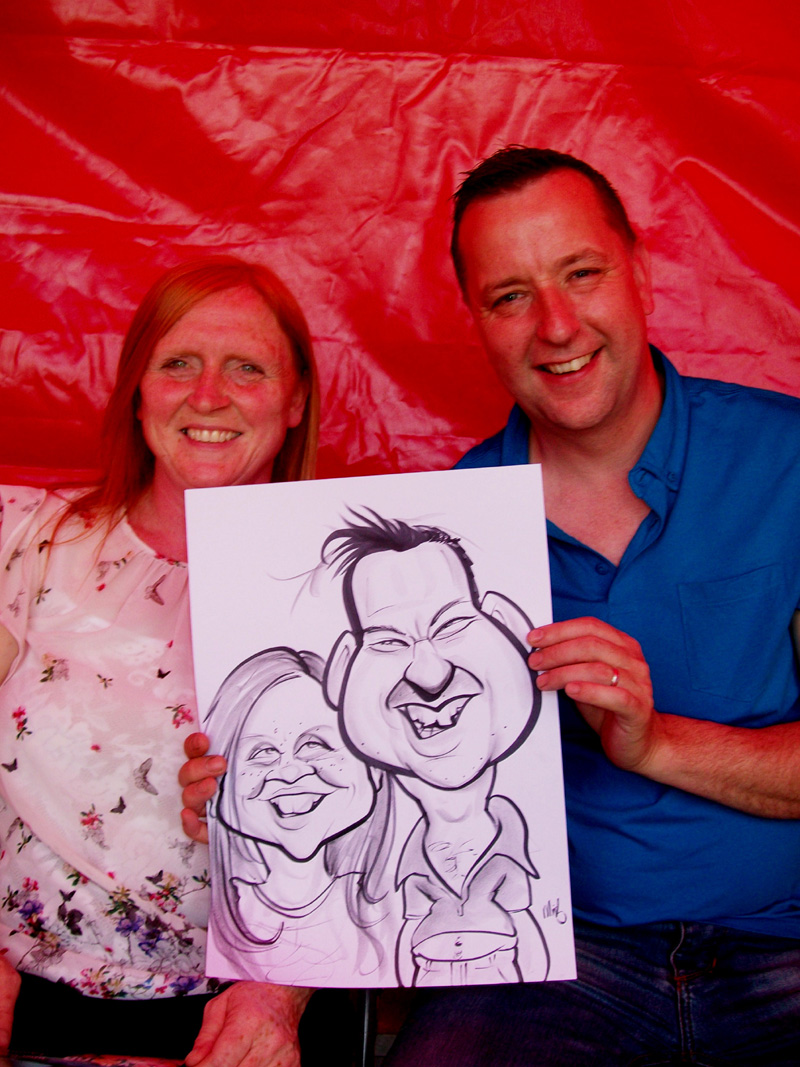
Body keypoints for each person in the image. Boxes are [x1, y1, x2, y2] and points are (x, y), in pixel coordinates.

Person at [380, 147, 800, 1063]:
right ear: (477, 321)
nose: (557, 325)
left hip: (787, 938)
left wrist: (655, 743)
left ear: (640, 272)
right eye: (511, 296)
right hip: (561, 959)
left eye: (581, 273)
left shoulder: (788, 460)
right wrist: (258, 791)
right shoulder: (443, 530)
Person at [0, 256, 322, 1065]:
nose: (207, 395)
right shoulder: (24, 543)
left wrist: (279, 993)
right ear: (137, 390)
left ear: (294, 402)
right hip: (21, 1002)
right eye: (178, 363)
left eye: (246, 368)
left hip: (237, 1020)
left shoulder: (348, 595)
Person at [322, 512, 548, 989]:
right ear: (341, 673)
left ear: (510, 627)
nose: (429, 675)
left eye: (453, 626)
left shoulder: (541, 839)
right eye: (387, 642)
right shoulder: (344, 854)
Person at [206, 646, 389, 986]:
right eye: (262, 752)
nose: (289, 772)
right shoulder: (222, 919)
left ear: (373, 764)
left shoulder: (396, 914)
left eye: (315, 745)